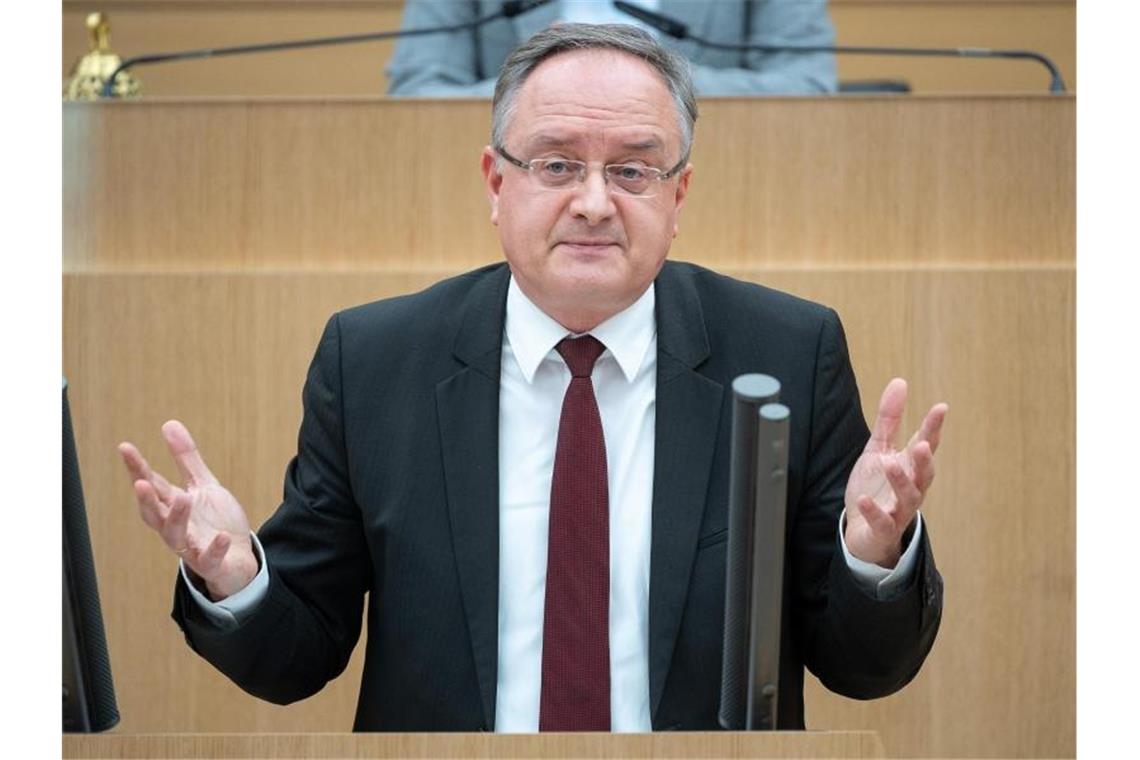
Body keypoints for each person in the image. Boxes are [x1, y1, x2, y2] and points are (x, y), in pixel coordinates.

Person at [119, 23, 944, 732]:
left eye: (632, 170)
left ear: (679, 194)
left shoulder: (784, 353)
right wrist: (235, 578)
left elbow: (862, 668)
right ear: (496, 182)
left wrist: (874, 557)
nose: (593, 202)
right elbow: (298, 658)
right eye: (555, 165)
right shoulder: (375, 360)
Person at [386, 0, 837, 97]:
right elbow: (416, 95)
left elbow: (808, 84)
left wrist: (646, 79)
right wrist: (548, 84)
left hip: (723, 193)